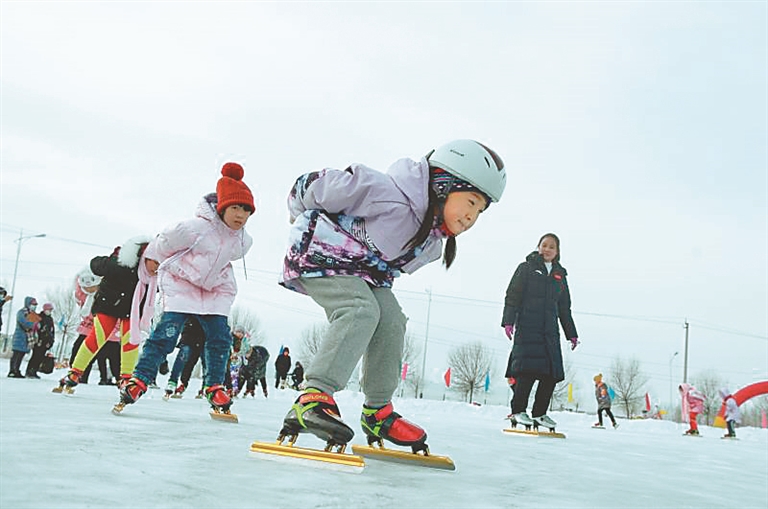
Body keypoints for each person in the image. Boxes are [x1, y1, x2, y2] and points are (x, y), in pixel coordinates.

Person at [277, 139, 506, 450]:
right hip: (321, 251)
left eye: (480, 211)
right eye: (470, 202)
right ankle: (313, 397)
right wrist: (297, 212)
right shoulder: (386, 194)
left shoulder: (431, 243)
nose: (472, 217)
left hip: (365, 273)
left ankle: (377, 411)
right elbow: (317, 186)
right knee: (360, 310)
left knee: (392, 320)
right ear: (443, 185)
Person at [117, 162, 254, 416]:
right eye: (235, 208)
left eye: (246, 210)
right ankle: (140, 379)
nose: (240, 215)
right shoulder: (194, 228)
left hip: (214, 290)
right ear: (222, 206)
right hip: (182, 285)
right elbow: (164, 242)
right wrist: (152, 264)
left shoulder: (243, 241)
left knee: (220, 339)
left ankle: (214, 385)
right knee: (166, 335)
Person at [54, 236, 153, 393]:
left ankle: (126, 378)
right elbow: (96, 264)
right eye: (154, 262)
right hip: (108, 305)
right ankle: (75, 372)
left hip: (131, 309)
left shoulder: (151, 274)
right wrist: (109, 262)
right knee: (99, 335)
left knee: (131, 339)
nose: (156, 267)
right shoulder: (119, 264)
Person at [502, 233, 578, 431]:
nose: (547, 249)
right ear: (538, 247)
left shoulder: (560, 275)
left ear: (557, 251)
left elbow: (564, 307)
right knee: (526, 372)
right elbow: (513, 295)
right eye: (544, 245)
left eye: (551, 247)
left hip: (549, 331)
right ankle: (518, 411)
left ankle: (540, 413)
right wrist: (508, 321)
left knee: (551, 374)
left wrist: (571, 333)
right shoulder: (526, 268)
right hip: (528, 327)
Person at [164, 317, 204, 397]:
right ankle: (173, 381)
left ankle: (206, 386)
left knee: (200, 361)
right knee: (184, 355)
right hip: (190, 331)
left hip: (205, 333)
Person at [8, 297, 38, 378]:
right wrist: (34, 325)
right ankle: (12, 370)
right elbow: (24, 322)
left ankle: (17, 370)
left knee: (21, 354)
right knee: (16, 354)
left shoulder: (33, 314)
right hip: (19, 336)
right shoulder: (21, 312)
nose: (34, 306)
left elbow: (37, 323)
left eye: (35, 304)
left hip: (27, 339)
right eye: (33, 304)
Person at [25, 303, 55, 378]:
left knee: (40, 357)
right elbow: (35, 329)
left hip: (46, 341)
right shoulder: (39, 317)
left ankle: (34, 370)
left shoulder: (50, 319)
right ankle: (29, 371)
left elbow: (52, 331)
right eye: (48, 309)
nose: (49, 311)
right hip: (38, 340)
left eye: (50, 310)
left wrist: (51, 341)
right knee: (35, 356)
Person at [224, 325, 246, 397]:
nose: (240, 334)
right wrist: (231, 353)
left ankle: (231, 390)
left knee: (234, 375)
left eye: (241, 333)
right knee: (227, 374)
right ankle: (228, 389)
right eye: (238, 332)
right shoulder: (231, 338)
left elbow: (240, 350)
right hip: (227, 359)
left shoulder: (240, 341)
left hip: (234, 362)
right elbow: (229, 346)